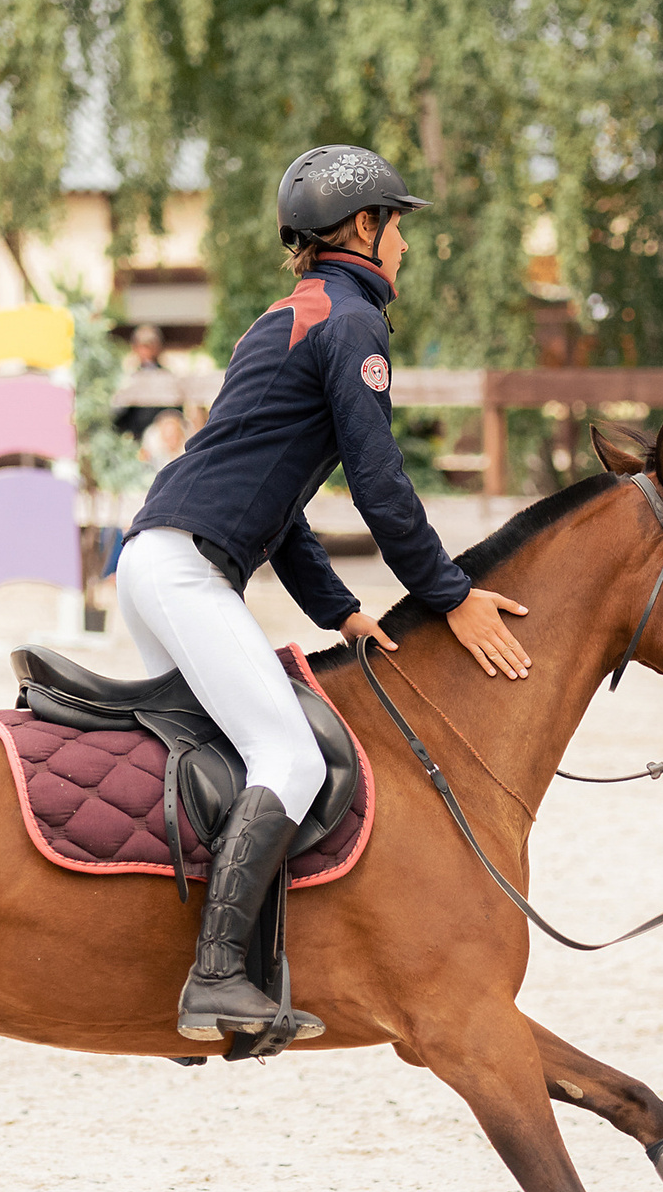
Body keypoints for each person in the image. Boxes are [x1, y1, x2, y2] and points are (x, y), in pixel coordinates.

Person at [121, 144, 531, 1043]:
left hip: (156, 561)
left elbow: (285, 509)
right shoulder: (352, 326)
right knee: (291, 756)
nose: (406, 247)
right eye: (399, 226)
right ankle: (218, 978)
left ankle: (226, 962)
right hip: (186, 569)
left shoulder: (280, 320)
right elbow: (381, 488)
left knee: (228, 761)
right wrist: (451, 594)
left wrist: (340, 610)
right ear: (362, 229)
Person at [113, 324, 172, 444]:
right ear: (135, 348)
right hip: (133, 438)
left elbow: (173, 410)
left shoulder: (168, 376)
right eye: (142, 345)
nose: (146, 349)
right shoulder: (127, 376)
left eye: (150, 344)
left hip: (160, 440)